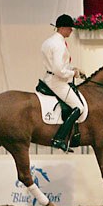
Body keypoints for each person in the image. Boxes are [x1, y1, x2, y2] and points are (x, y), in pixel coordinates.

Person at [41, 14, 84, 152]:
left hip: (49, 78)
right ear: (63, 28)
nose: (71, 31)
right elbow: (59, 69)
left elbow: (57, 65)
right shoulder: (59, 45)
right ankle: (59, 138)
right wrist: (73, 73)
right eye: (70, 28)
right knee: (79, 107)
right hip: (57, 81)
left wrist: (73, 68)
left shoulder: (48, 41)